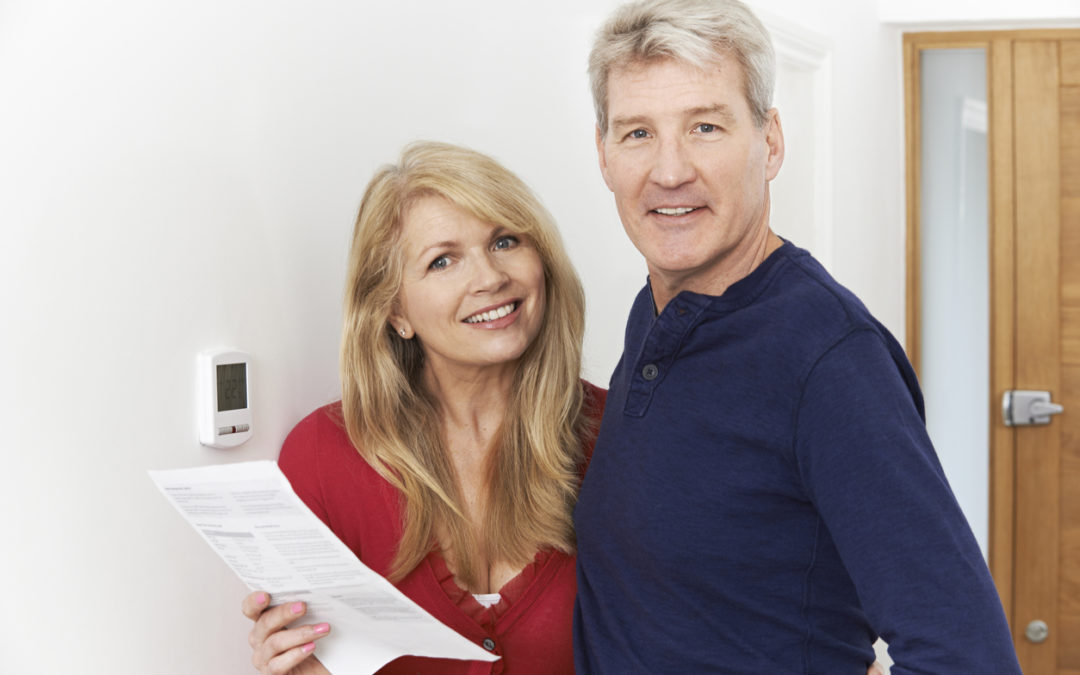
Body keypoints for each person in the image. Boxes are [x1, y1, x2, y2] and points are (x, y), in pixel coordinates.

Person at [571, 0, 1022, 673]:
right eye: (638, 133)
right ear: (603, 154)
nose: (669, 171)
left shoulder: (831, 360)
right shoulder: (658, 311)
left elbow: (967, 657)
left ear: (770, 141)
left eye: (705, 125)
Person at [241, 141, 605, 674]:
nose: (489, 277)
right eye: (443, 260)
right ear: (394, 311)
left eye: (505, 241)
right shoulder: (323, 458)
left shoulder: (619, 437)